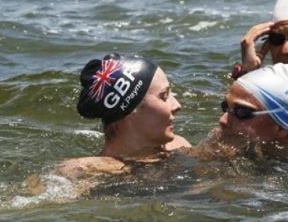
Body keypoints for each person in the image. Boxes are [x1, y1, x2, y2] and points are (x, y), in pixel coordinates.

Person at [57, 53, 191, 180]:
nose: (177, 105)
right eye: (164, 96)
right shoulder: (85, 172)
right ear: (130, 110)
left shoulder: (179, 147)